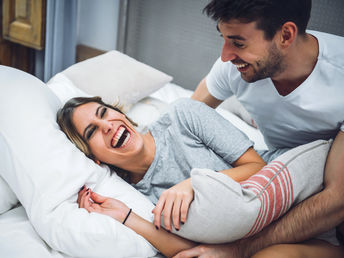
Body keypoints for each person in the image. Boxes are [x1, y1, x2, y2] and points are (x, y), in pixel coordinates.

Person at [175, 0, 344, 257]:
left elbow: (337, 200)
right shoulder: (233, 68)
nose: (225, 55)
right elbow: (182, 121)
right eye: (224, 38)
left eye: (238, 43)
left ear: (286, 35)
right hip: (287, 174)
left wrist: (237, 250)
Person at [57, 96, 267, 257]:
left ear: (119, 113)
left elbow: (258, 166)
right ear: (93, 158)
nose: (107, 126)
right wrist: (125, 217)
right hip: (255, 238)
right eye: (92, 131)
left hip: (279, 186)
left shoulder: (182, 116)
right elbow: (193, 252)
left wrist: (194, 184)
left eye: (103, 113)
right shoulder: (133, 195)